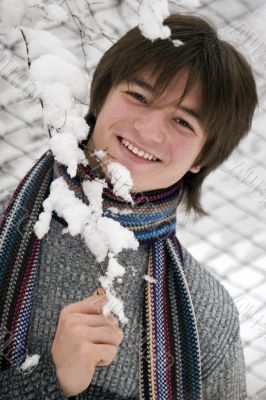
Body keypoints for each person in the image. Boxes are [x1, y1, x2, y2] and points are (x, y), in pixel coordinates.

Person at [0, 13, 257, 400]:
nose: (149, 130)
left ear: (202, 158)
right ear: (102, 96)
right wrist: (52, 382)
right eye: (138, 97)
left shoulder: (206, 313)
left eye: (183, 122)